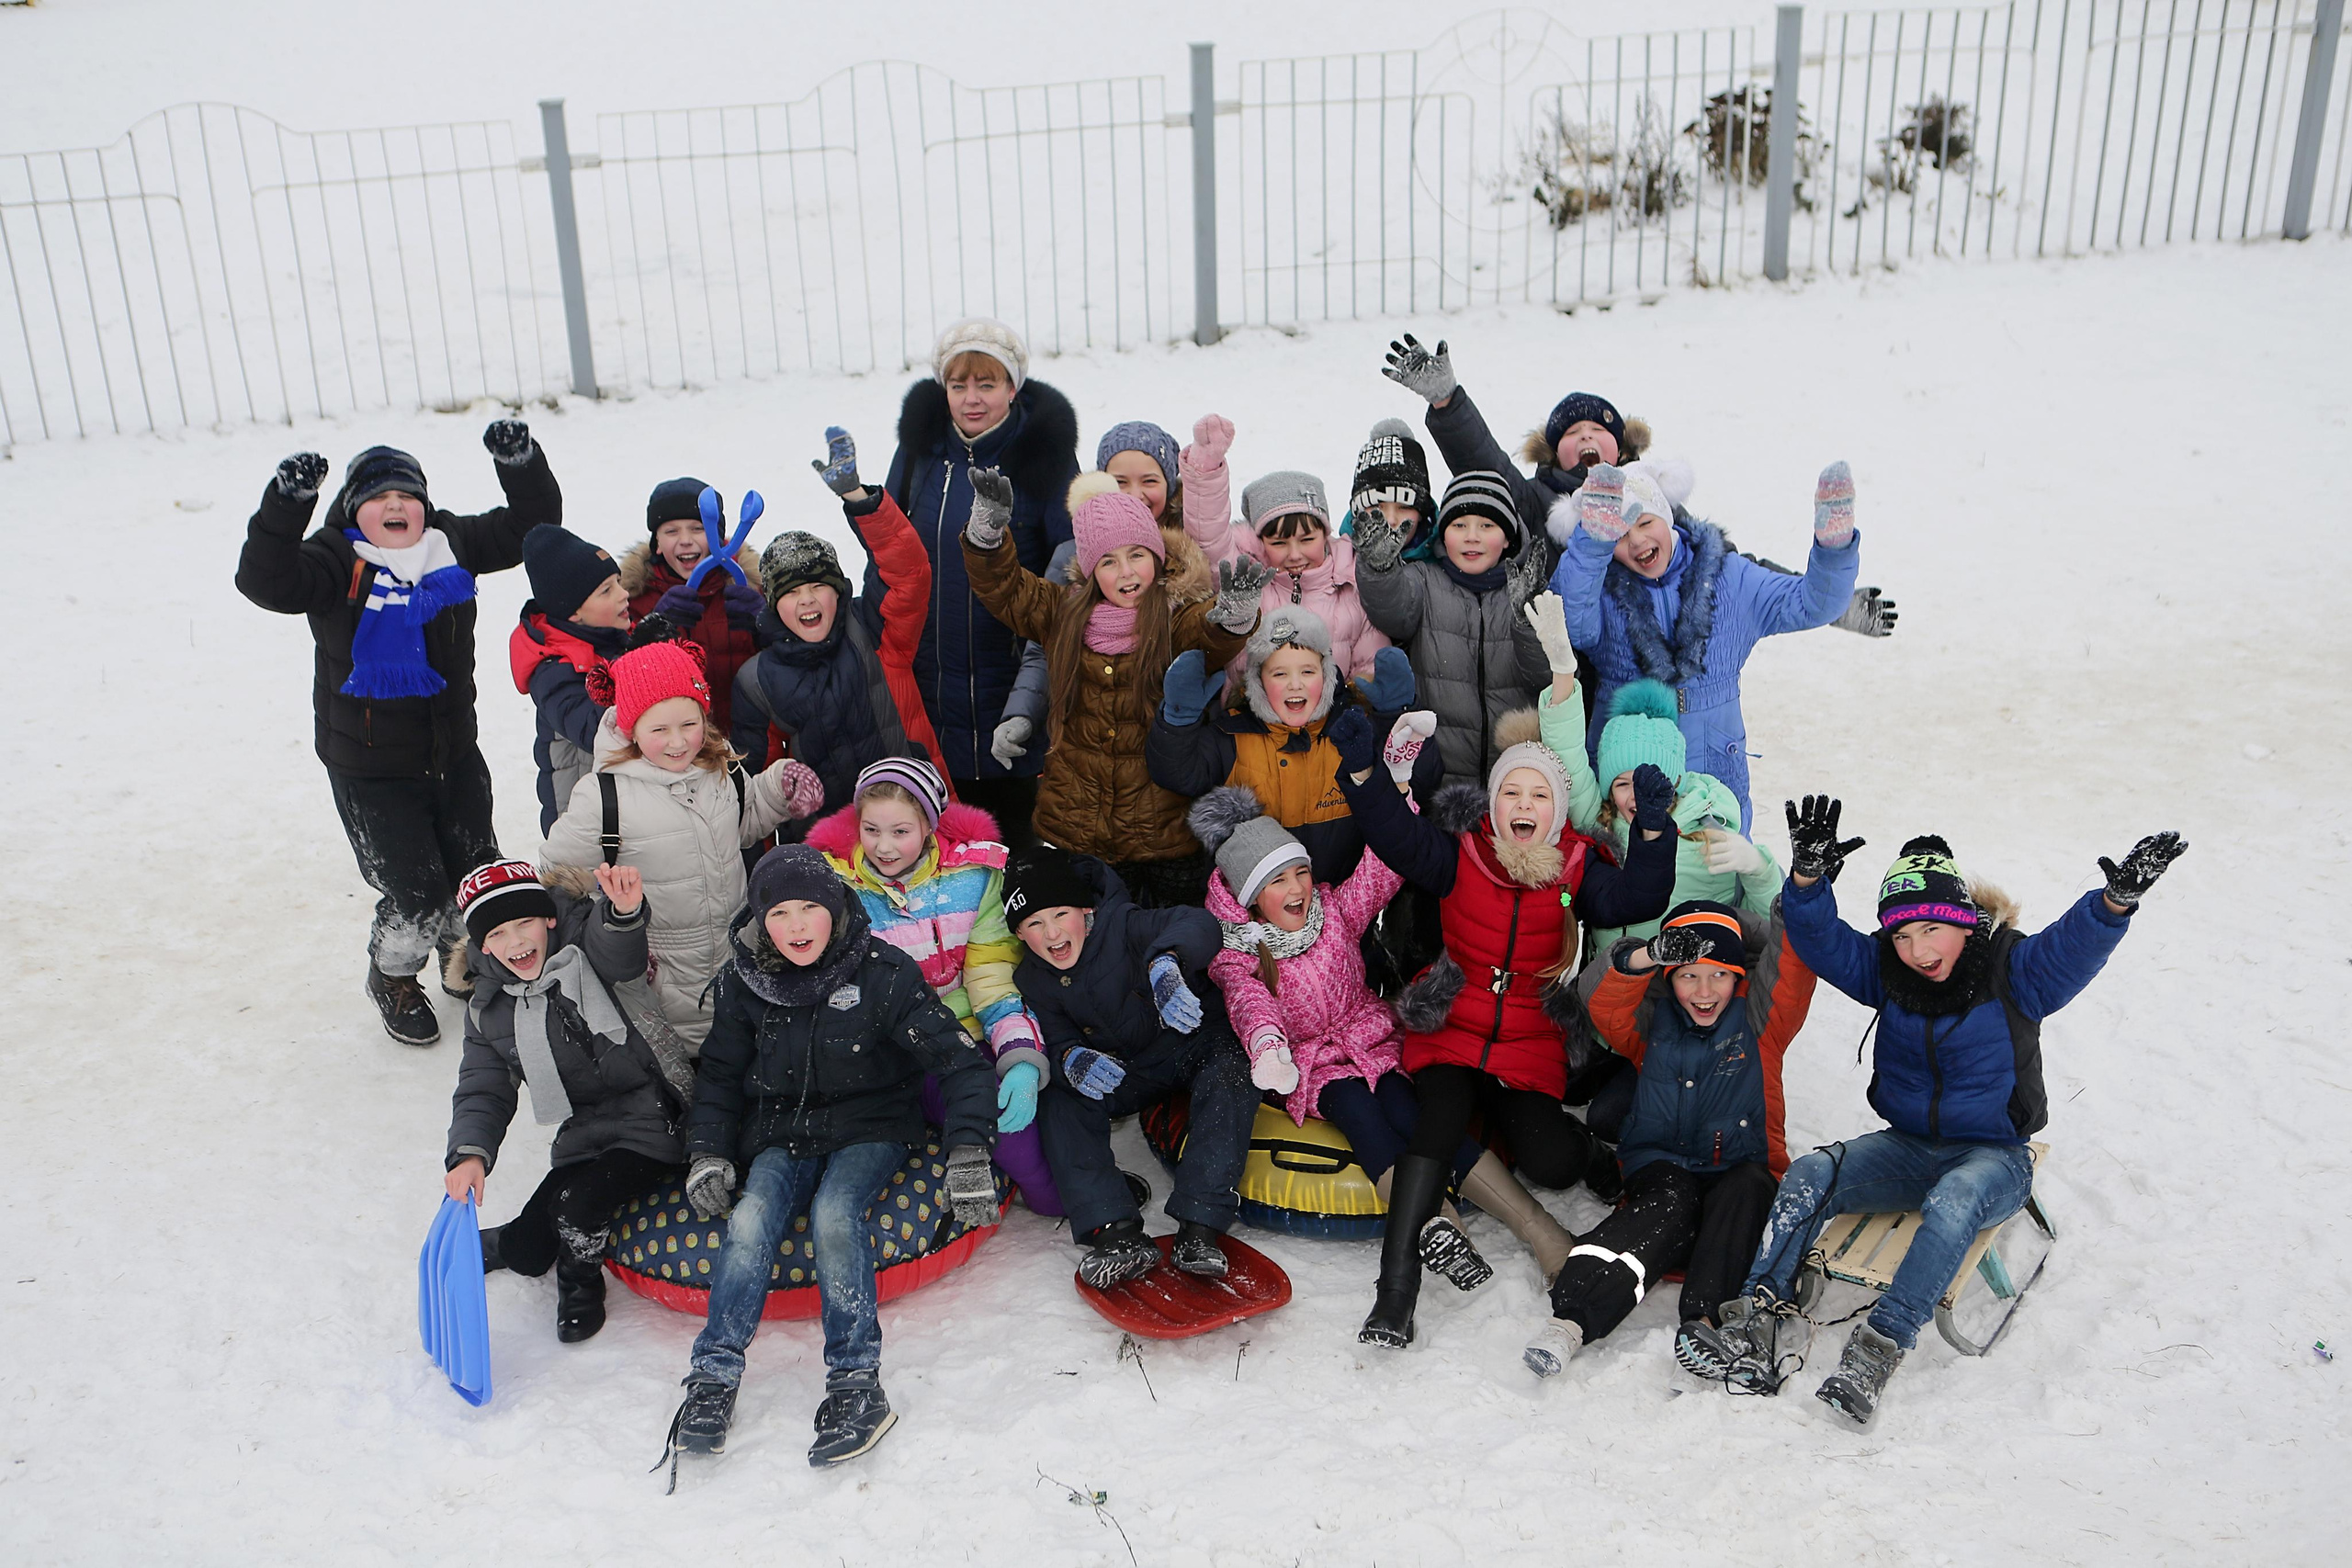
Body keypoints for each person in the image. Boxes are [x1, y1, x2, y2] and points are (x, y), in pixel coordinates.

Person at [1677, 801, 2187, 1425]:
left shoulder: (2012, 971)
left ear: (1965, 923)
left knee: (1953, 1200)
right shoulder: (1890, 973)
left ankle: (1877, 1347)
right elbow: (1821, 941)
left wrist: (2114, 902)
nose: (1917, 949)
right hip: (1907, 1145)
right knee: (1812, 1172)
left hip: (1993, 1155)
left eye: (1930, 929)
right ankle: (1756, 1316)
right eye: (1901, 933)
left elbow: (2070, 950)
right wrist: (1807, 881)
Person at [662, 845, 1000, 1470]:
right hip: (780, 1131)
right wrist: (708, 1151)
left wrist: (970, 1151)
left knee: (835, 1215)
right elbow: (718, 1077)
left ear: (836, 908)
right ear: (759, 921)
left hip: (869, 1126)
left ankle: (856, 1383)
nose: (795, 926)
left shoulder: (882, 971)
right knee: (750, 1215)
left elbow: (959, 1062)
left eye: (809, 908)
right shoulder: (745, 981)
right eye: (780, 912)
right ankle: (712, 1377)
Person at [233, 421, 560, 1044]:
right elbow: (264, 579)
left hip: (453, 753)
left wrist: (520, 461)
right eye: (379, 496)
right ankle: (394, 974)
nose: (395, 505)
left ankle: (463, 959)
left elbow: (531, 525)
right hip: (371, 766)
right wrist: (287, 502)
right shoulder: (334, 560)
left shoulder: (451, 544)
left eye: (407, 495)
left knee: (474, 872)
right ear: (356, 508)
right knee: (416, 893)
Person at [1191, 790, 1553, 1348]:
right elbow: (1248, 1002)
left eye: (1301, 873)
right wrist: (1269, 1050)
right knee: (1365, 1122)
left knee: (1413, 1115)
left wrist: (1399, 795)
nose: (1297, 889)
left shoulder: (1331, 910)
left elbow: (1380, 872)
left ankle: (1538, 1228)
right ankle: (1442, 1227)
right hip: (1317, 1063)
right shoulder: (1238, 953)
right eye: (1279, 881)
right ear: (1250, 895)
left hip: (1371, 1035)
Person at [1334, 705, 1678, 1293]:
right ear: (1492, 804)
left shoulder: (1576, 870)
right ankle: (1397, 1289)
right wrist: (1364, 772)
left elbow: (1638, 899)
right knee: (1436, 1125)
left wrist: (1650, 828)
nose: (1523, 805)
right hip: (1453, 1023)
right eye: (1511, 791)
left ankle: (1585, 1150)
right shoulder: (1460, 855)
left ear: (1558, 810)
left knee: (1553, 1164)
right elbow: (1395, 835)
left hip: (1529, 1033)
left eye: (1538, 795)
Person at [1521, 900, 1816, 1377]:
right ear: (1667, 977)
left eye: (1719, 974)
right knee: (1668, 1202)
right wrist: (1647, 954)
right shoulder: (1647, 1022)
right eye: (1688, 975)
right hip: (1664, 1166)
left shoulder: (1762, 1022)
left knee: (1747, 1189)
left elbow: (1793, 967)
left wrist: (1791, 902)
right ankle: (1571, 1321)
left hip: (1740, 1166)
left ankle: (1705, 1324)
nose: (1704, 991)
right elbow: (1600, 997)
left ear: (1739, 976)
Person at [962, 468, 1265, 908]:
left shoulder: (1176, 615)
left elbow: (1210, 636)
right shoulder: (1064, 613)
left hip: (1164, 830)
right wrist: (987, 535)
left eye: (1136, 554)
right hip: (1079, 825)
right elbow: (1008, 591)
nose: (1126, 572)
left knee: (1166, 941)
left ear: (1157, 555)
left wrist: (1234, 615)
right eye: (1108, 561)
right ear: (1089, 570)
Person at [443, 859, 689, 1343]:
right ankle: (511, 1241)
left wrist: (622, 913)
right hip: (584, 1131)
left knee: (577, 1208)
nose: (515, 942)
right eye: (497, 933)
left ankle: (580, 1285)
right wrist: (470, 1153)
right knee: (533, 1251)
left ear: (549, 919)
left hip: (652, 1116)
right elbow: (482, 1086)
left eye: (524, 923)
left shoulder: (586, 949)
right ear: (482, 945)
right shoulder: (489, 1008)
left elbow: (620, 950)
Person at [1546, 455, 1862, 832]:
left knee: (1716, 884)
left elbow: (1813, 603)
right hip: (1627, 784)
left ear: (1668, 517)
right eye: (1619, 535)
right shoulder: (1602, 587)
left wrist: (1834, 548)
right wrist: (1593, 540)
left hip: (1715, 779)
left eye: (1646, 522)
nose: (1638, 541)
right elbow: (1568, 621)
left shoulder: (1730, 578)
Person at [804, 757, 1059, 1213]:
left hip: (961, 1038)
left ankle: (1060, 1199)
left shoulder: (973, 879)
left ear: (928, 826)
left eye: (900, 831)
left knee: (1015, 1136)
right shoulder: (835, 889)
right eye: (871, 830)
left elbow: (993, 982)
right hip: (883, 1053)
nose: (884, 847)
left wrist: (1018, 1055)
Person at [540, 640, 822, 1051]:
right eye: (659, 730)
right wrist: (609, 927)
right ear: (630, 728)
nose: (678, 742)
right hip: (662, 974)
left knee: (737, 1058)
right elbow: (556, 876)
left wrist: (777, 789)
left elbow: (741, 825)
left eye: (689, 725)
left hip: (736, 954)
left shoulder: (719, 765)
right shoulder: (604, 797)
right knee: (684, 1072)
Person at [1005, 847, 1257, 1289]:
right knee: (1057, 1097)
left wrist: (1167, 962)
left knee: (1232, 1069)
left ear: (1085, 908)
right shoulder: (1032, 979)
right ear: (1020, 935)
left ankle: (1200, 1227)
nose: (1051, 933)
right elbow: (1055, 1037)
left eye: (1060, 914)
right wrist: (1070, 1060)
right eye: (1033, 924)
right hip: (1125, 1072)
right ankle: (1116, 1231)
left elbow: (1199, 924)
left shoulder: (1124, 923)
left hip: (1188, 1043)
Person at [877, 318, 1079, 841]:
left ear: (1013, 388)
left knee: (1015, 836)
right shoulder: (921, 453)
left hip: (1009, 675)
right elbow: (891, 549)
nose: (972, 398)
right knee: (942, 839)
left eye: (987, 384)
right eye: (958, 384)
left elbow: (1070, 559)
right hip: (932, 675)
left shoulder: (1043, 454)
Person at [992, 421, 1216, 838]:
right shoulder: (1073, 554)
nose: (1134, 493)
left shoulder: (1189, 549)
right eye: (1119, 481)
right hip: (1091, 753)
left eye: (1149, 480)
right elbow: (1045, 647)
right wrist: (1023, 711)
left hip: (1167, 756)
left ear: (1169, 484)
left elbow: (1209, 636)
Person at [729, 427, 949, 813]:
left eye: (817, 586)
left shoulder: (875, 631)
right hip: (829, 847)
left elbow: (908, 572)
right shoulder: (757, 680)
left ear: (838, 591)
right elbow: (752, 786)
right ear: (773, 604)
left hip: (917, 824)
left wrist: (860, 501)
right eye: (792, 593)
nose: (807, 600)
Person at [1146, 606, 1436, 890]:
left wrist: (1397, 716)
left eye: (1308, 671)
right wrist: (1179, 720)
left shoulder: (1353, 733)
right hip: (1256, 920)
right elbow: (1175, 773)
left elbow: (1417, 782)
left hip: (1343, 907)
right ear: (1258, 683)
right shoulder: (1230, 736)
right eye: (1279, 674)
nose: (1294, 684)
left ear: (1327, 676)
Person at [1351, 470, 1552, 785]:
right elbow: (1392, 611)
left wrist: (1528, 623)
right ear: (1443, 535)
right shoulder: (1423, 580)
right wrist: (1379, 570)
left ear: (1508, 537)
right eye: (1459, 526)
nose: (1472, 536)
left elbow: (1549, 680)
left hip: (1515, 783)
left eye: (1487, 526)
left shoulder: (1527, 587)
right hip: (1439, 775)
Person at [1176, 414, 1391, 683]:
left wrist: (1350, 707)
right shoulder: (1248, 579)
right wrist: (1206, 468)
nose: (1294, 554)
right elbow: (1207, 538)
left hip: (1329, 719)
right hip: (1248, 717)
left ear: (1325, 534)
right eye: (1279, 543)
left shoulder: (1350, 583)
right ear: (1260, 542)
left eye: (1307, 539)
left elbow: (1369, 662)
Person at [511, 525, 635, 833]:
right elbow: (596, 731)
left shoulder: (612, 641)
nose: (624, 594)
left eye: (618, 582)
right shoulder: (553, 671)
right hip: (582, 827)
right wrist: (642, 664)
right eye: (607, 591)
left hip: (625, 811)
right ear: (573, 613)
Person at [623, 477, 766, 740]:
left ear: (720, 538)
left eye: (698, 528)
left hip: (749, 742)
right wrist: (651, 632)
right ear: (656, 542)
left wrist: (768, 627)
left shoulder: (754, 589)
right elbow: (620, 677)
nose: (686, 540)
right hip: (675, 749)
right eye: (671, 531)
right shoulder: (631, 598)